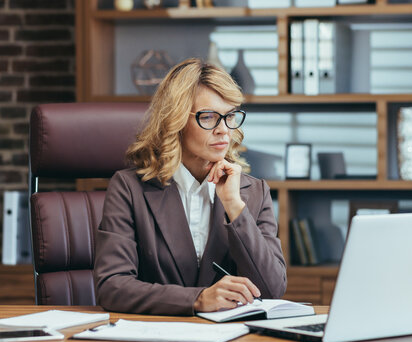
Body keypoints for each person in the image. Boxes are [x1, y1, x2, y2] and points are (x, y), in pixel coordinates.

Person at [93, 58, 287, 315]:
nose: (223, 130)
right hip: (157, 340)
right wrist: (196, 299)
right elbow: (112, 286)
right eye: (208, 117)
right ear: (175, 121)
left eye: (230, 116)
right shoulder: (129, 189)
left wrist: (234, 208)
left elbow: (272, 289)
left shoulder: (252, 192)